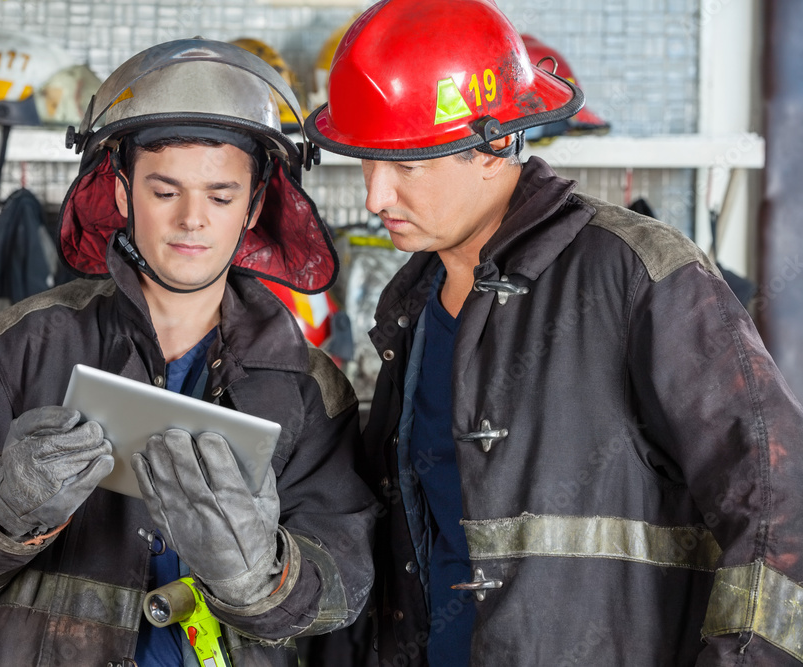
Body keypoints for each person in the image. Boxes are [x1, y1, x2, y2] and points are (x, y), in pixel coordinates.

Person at [303, 0, 803, 665]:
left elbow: (780, 501)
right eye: (368, 162)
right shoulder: (412, 306)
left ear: (492, 145)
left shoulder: (635, 275)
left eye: (407, 166)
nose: (375, 197)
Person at [0, 38, 376, 666]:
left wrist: (262, 571)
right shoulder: (24, 346)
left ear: (255, 206)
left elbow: (344, 589)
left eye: (221, 196)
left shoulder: (308, 388)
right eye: (164, 191)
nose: (192, 219)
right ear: (121, 193)